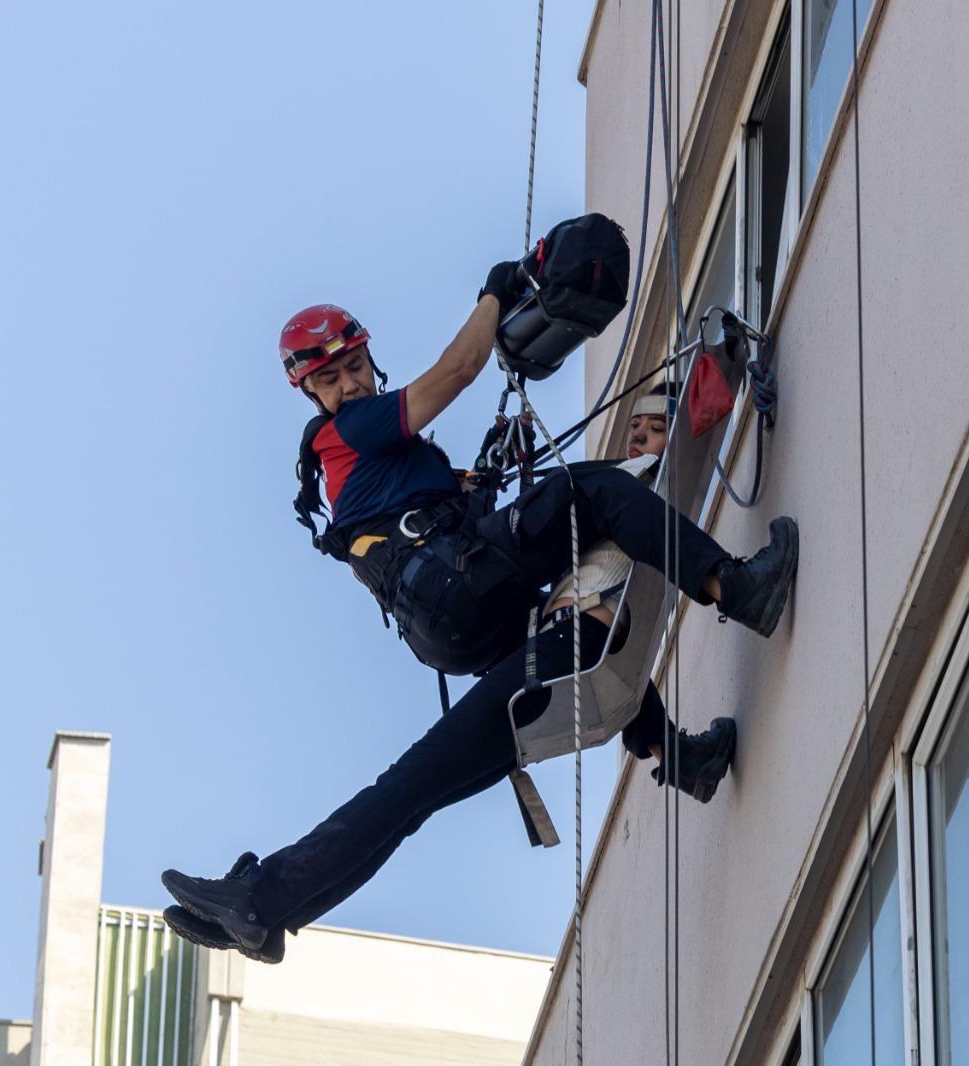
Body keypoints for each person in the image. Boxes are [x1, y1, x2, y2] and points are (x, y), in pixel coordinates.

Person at [160, 261, 799, 963]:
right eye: (329, 381)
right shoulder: (357, 429)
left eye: (353, 370)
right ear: (310, 393)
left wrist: (474, 486)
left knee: (421, 780)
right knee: (595, 492)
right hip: (462, 592)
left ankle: (267, 906)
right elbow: (459, 371)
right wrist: (497, 292)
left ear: (367, 360)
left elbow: (435, 518)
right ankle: (736, 588)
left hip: (461, 628)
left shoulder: (381, 470)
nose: (347, 387)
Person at [539, 381, 738, 802]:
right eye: (634, 427)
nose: (637, 436)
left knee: (617, 677)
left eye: (656, 427)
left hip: (561, 628)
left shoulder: (611, 491)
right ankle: (738, 588)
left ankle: (675, 756)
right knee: (612, 661)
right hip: (584, 618)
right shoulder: (624, 482)